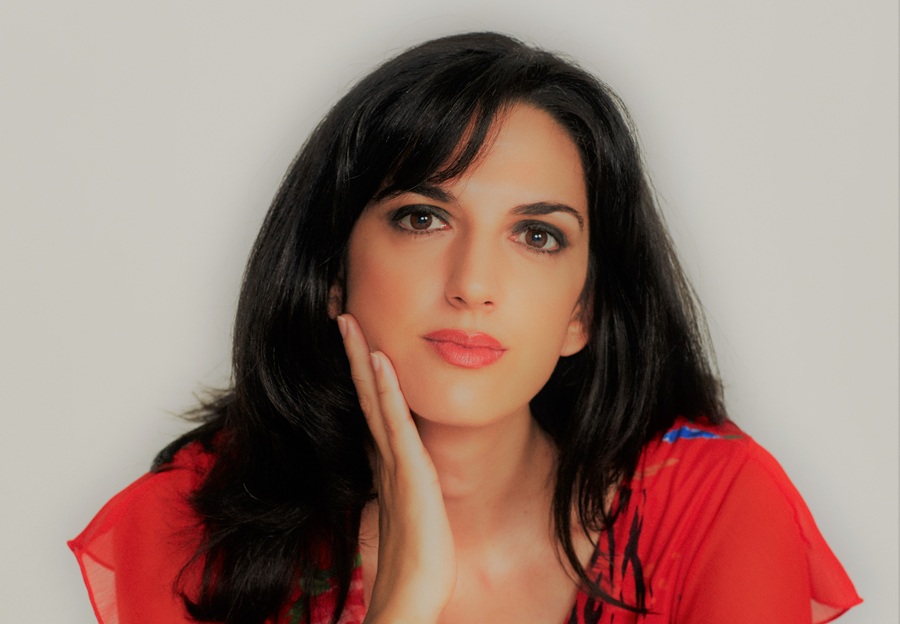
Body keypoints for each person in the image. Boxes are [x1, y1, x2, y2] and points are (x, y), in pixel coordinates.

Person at [69, 32, 861, 624]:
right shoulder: (187, 530)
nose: (474, 285)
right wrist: (405, 600)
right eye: (423, 218)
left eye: (537, 235)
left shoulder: (714, 504)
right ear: (334, 270)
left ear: (582, 312)